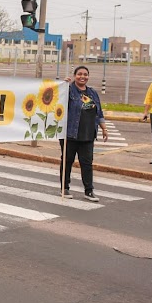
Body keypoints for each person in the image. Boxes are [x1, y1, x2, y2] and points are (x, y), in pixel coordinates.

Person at [60, 66, 108, 202]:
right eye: (79, 74)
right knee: (67, 161)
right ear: (75, 76)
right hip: (70, 134)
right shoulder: (69, 90)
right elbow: (56, 99)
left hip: (88, 134)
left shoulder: (92, 93)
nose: (82, 77)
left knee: (87, 163)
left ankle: (89, 190)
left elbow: (98, 113)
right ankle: (64, 187)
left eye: (85, 74)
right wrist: (62, 85)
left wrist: (104, 128)